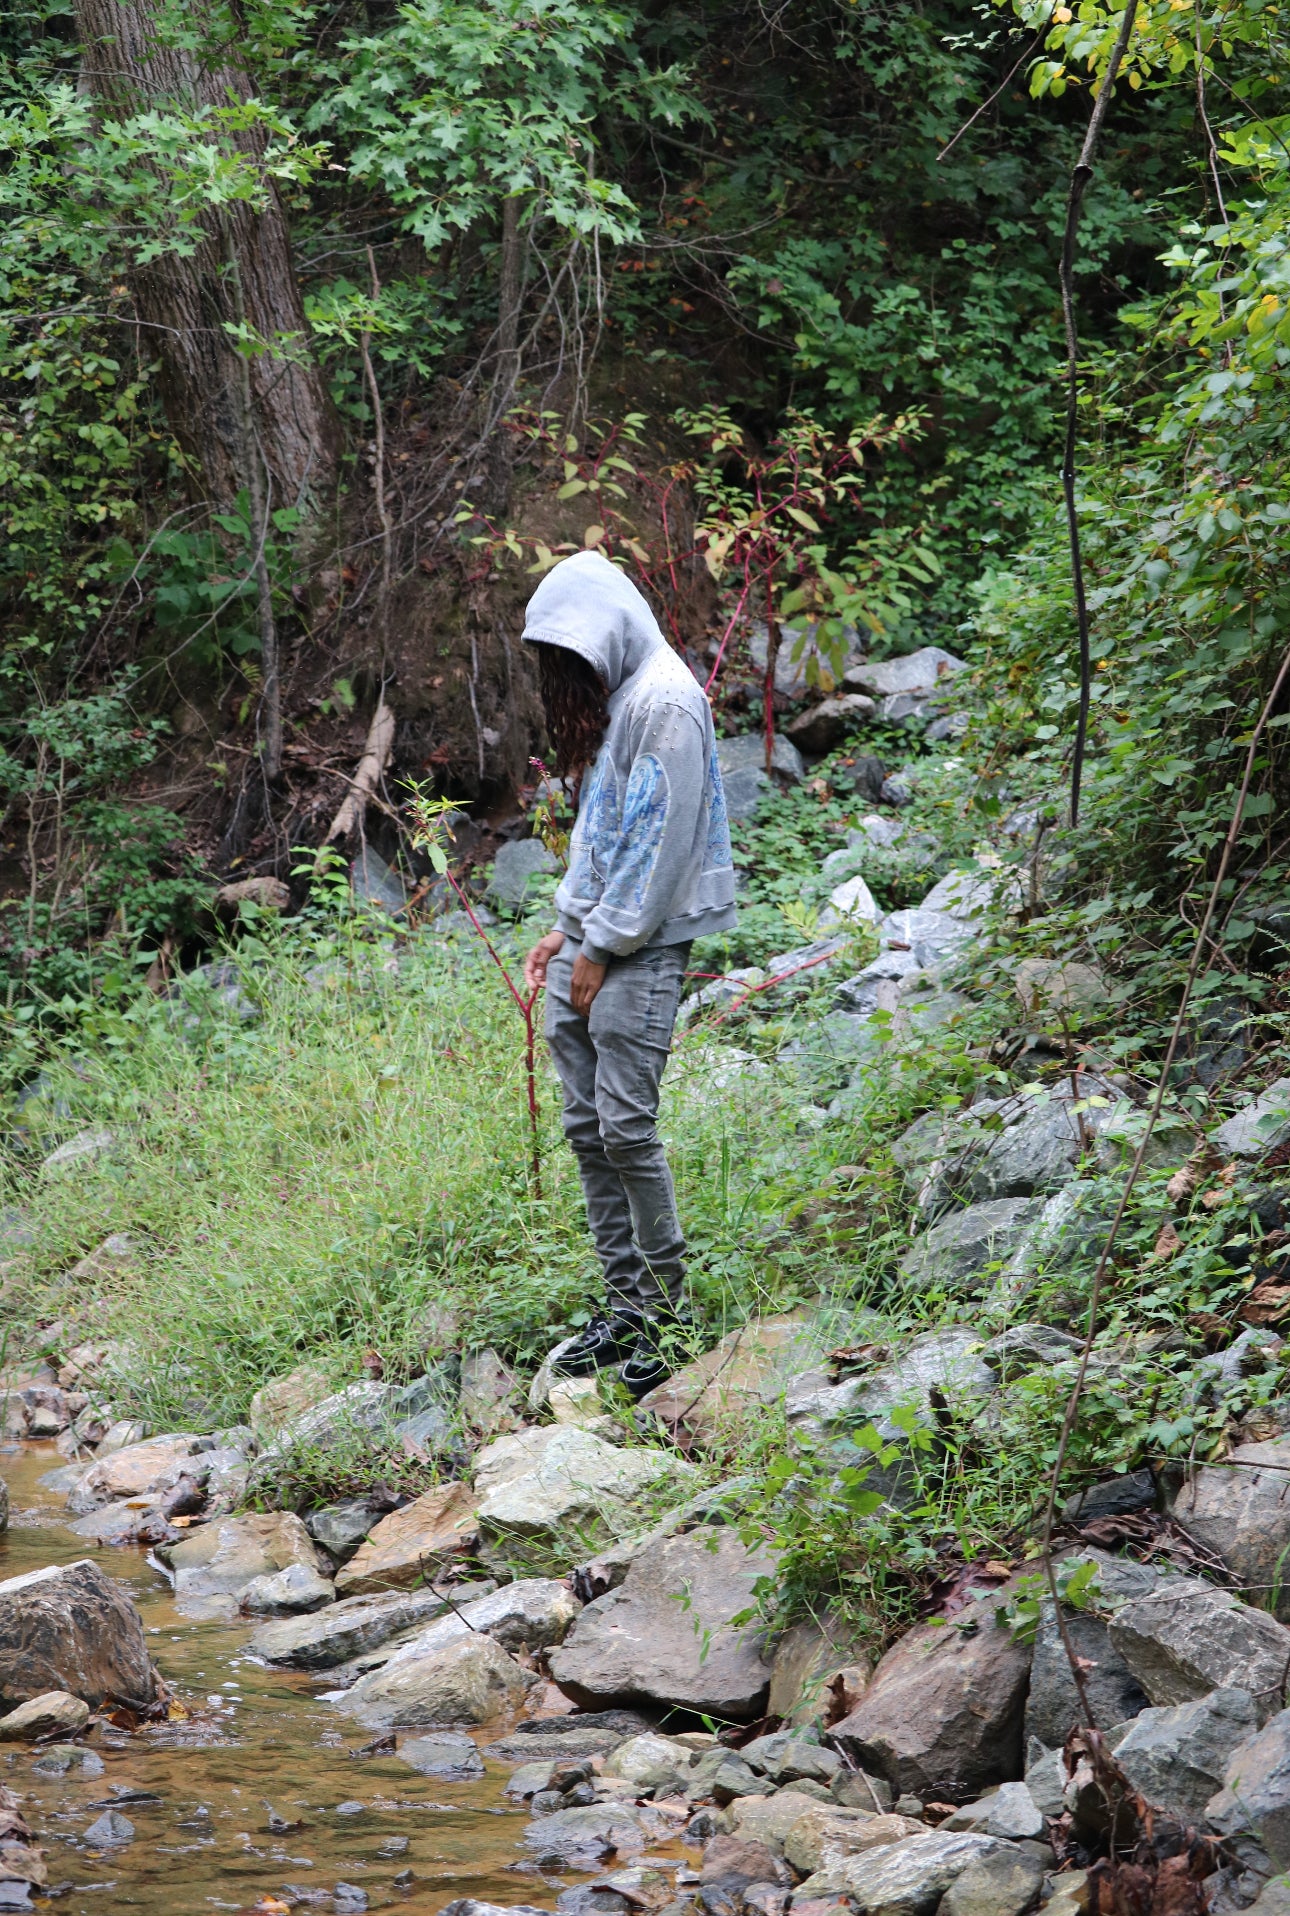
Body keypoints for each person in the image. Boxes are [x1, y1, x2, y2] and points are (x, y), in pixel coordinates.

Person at [522, 549, 736, 1398]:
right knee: (586, 1127)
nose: (563, 680)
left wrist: (604, 944)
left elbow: (660, 843)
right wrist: (566, 928)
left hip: (642, 941)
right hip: (601, 931)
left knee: (625, 1128)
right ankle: (624, 1306)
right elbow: (601, 828)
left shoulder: (668, 703)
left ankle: (667, 1314)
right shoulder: (623, 697)